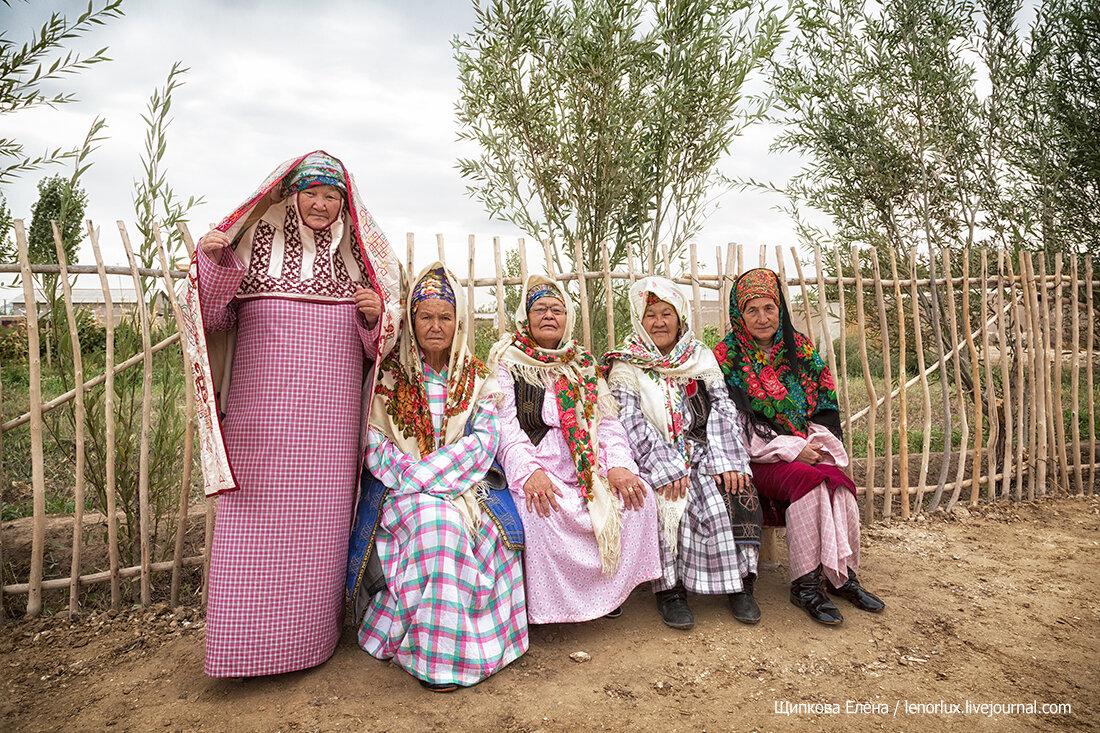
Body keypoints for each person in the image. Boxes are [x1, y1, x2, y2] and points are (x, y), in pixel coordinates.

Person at [181, 151, 402, 677]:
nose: (321, 204)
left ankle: (309, 644)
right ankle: (239, 651)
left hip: (328, 429)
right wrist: (212, 264)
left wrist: (376, 317)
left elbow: (380, 351)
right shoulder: (255, 243)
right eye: (312, 193)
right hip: (259, 425)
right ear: (291, 193)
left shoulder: (361, 256)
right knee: (248, 533)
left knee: (319, 538)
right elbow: (213, 317)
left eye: (332, 195)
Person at [346, 264, 528, 692]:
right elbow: (375, 445)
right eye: (425, 316)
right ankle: (438, 657)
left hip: (462, 486)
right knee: (438, 527)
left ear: (458, 322)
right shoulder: (388, 375)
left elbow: (483, 443)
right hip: (402, 491)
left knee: (493, 537)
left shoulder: (476, 378)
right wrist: (419, 482)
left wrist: (431, 478)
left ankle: (468, 643)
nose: (435, 326)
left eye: (445, 317)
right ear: (411, 320)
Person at [714, 267, 884, 625]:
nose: (762, 318)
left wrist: (812, 444)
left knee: (840, 484)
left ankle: (841, 576)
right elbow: (729, 424)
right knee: (810, 483)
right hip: (756, 458)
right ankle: (805, 584)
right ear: (738, 314)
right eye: (752, 310)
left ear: (780, 309)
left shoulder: (799, 348)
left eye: (769, 308)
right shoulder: (726, 358)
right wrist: (789, 447)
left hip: (805, 448)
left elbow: (823, 401)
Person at [489, 275, 661, 624]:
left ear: (567, 317)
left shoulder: (582, 363)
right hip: (538, 463)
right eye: (540, 309)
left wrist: (618, 465)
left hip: (588, 462)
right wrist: (529, 472)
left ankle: (607, 595)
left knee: (636, 497)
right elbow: (504, 424)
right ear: (526, 315)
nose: (549, 315)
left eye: (557, 309)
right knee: (543, 513)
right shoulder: (508, 360)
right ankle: (553, 607)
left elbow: (608, 422)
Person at [605, 277, 762, 630]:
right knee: (667, 498)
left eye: (666, 313)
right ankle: (671, 591)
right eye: (650, 315)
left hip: (706, 448)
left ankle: (741, 585)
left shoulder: (699, 356)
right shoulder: (627, 363)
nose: (659, 322)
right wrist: (666, 465)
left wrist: (727, 461)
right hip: (654, 455)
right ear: (639, 321)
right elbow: (629, 420)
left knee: (736, 490)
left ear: (680, 317)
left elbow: (723, 409)